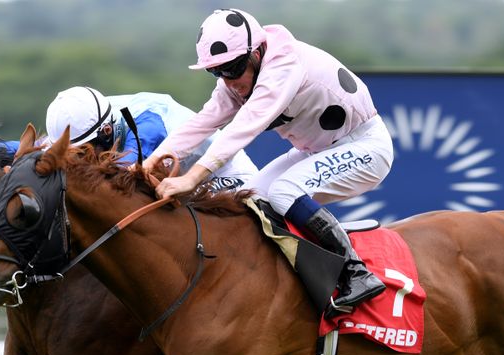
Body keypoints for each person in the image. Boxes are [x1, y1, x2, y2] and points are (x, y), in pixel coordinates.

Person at [145, 8, 393, 314]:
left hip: (366, 147)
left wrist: (191, 177)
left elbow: (241, 128)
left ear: (258, 52)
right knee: (249, 197)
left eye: (234, 68)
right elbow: (203, 122)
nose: (229, 81)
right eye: (217, 72)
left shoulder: (283, 65)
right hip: (319, 150)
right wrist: (153, 159)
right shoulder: (237, 77)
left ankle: (357, 272)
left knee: (283, 191)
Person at [0, 86, 257, 190]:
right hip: (179, 179)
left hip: (224, 175)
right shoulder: (92, 123)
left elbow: (120, 174)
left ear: (106, 132)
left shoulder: (146, 126)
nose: (85, 157)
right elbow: (44, 148)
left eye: (85, 151)